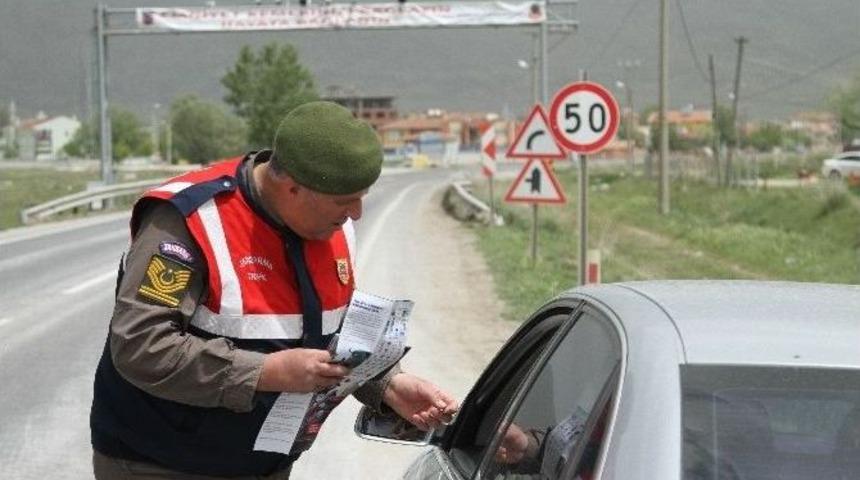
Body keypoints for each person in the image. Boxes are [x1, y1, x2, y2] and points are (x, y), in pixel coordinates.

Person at [89, 101, 458, 479]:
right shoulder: (190, 221)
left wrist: (387, 385)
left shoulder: (330, 224)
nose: (356, 213)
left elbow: (338, 334)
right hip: (161, 463)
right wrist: (264, 372)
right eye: (344, 201)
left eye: (360, 197)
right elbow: (139, 345)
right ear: (291, 186)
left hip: (265, 465)